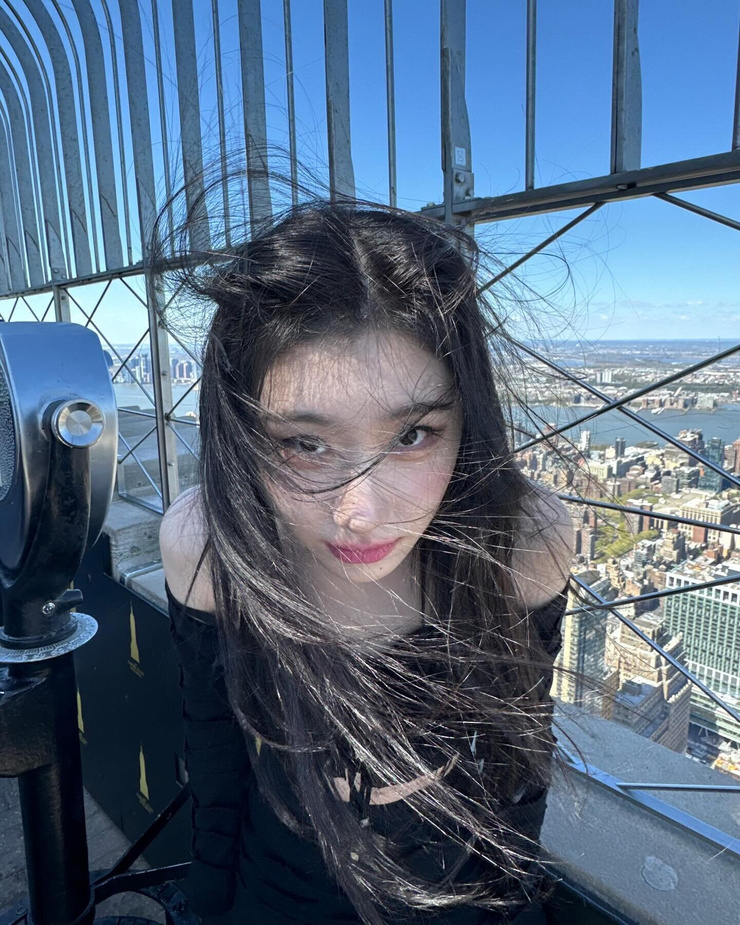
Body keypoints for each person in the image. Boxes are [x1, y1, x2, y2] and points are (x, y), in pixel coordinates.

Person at [157, 202, 574, 925]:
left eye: (412, 435)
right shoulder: (209, 544)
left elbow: (519, 773)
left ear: (467, 420)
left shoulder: (518, 539)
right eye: (304, 444)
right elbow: (217, 777)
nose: (361, 511)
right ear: (243, 434)